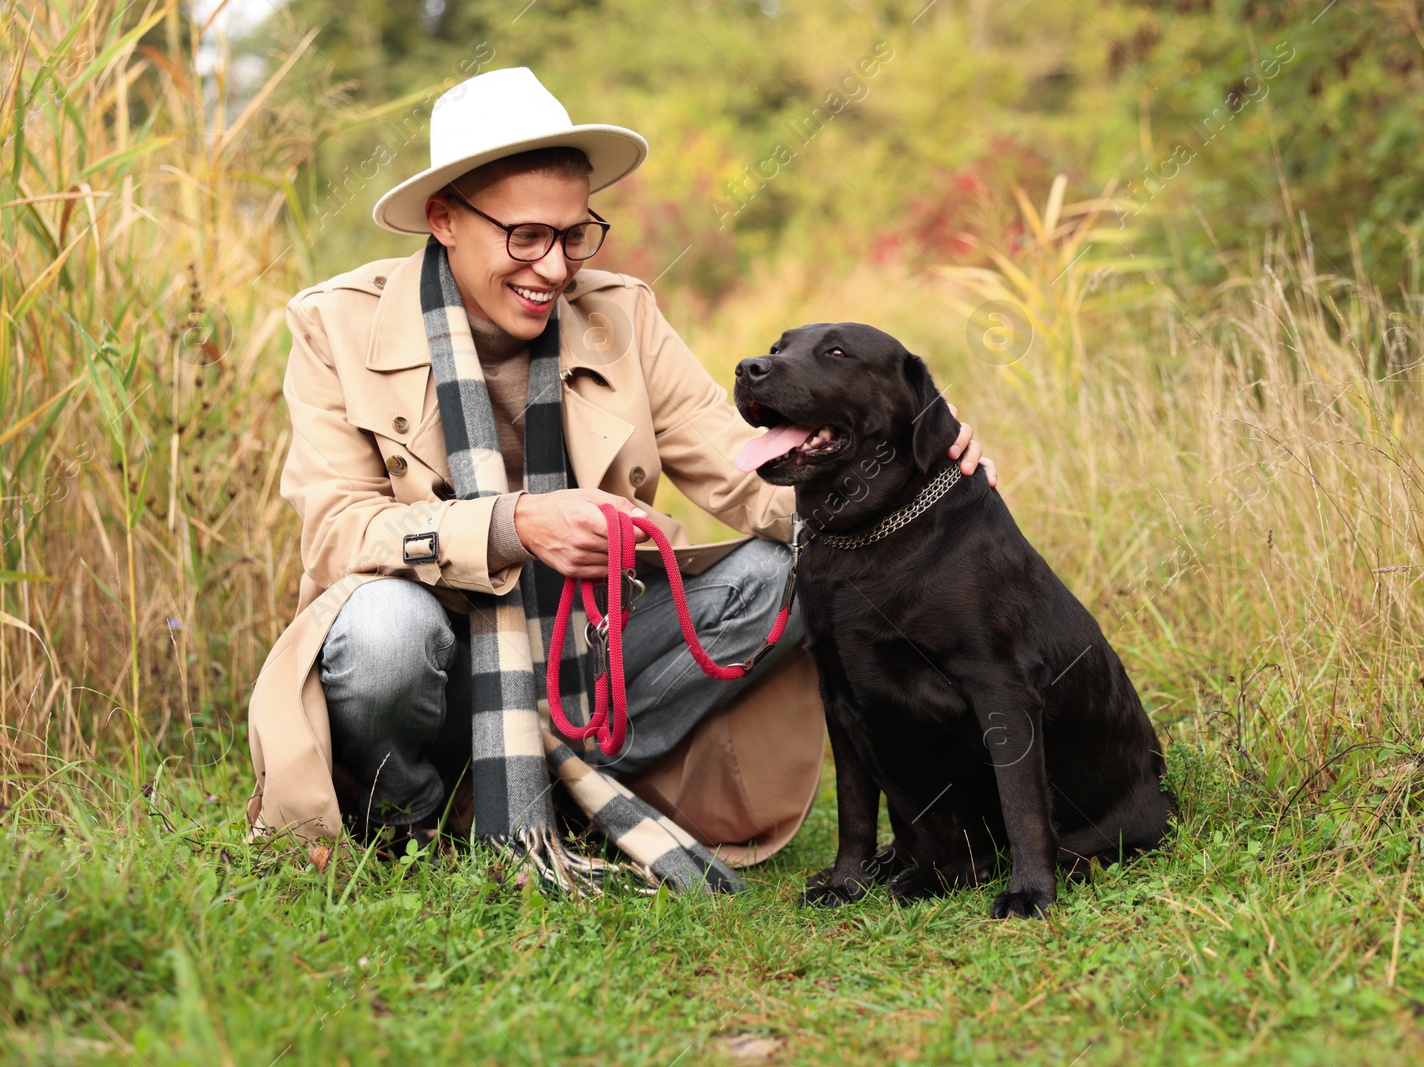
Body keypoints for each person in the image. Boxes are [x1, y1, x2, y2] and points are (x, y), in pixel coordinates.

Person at [244, 67, 993, 870]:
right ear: (444, 220)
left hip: (591, 648)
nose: (556, 268)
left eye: (575, 234)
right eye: (525, 236)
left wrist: (925, 485)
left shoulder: (622, 313)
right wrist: (515, 525)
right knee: (384, 629)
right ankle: (412, 818)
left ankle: (568, 779)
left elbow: (742, 474)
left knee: (794, 572)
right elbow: (336, 530)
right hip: (435, 656)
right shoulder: (333, 325)